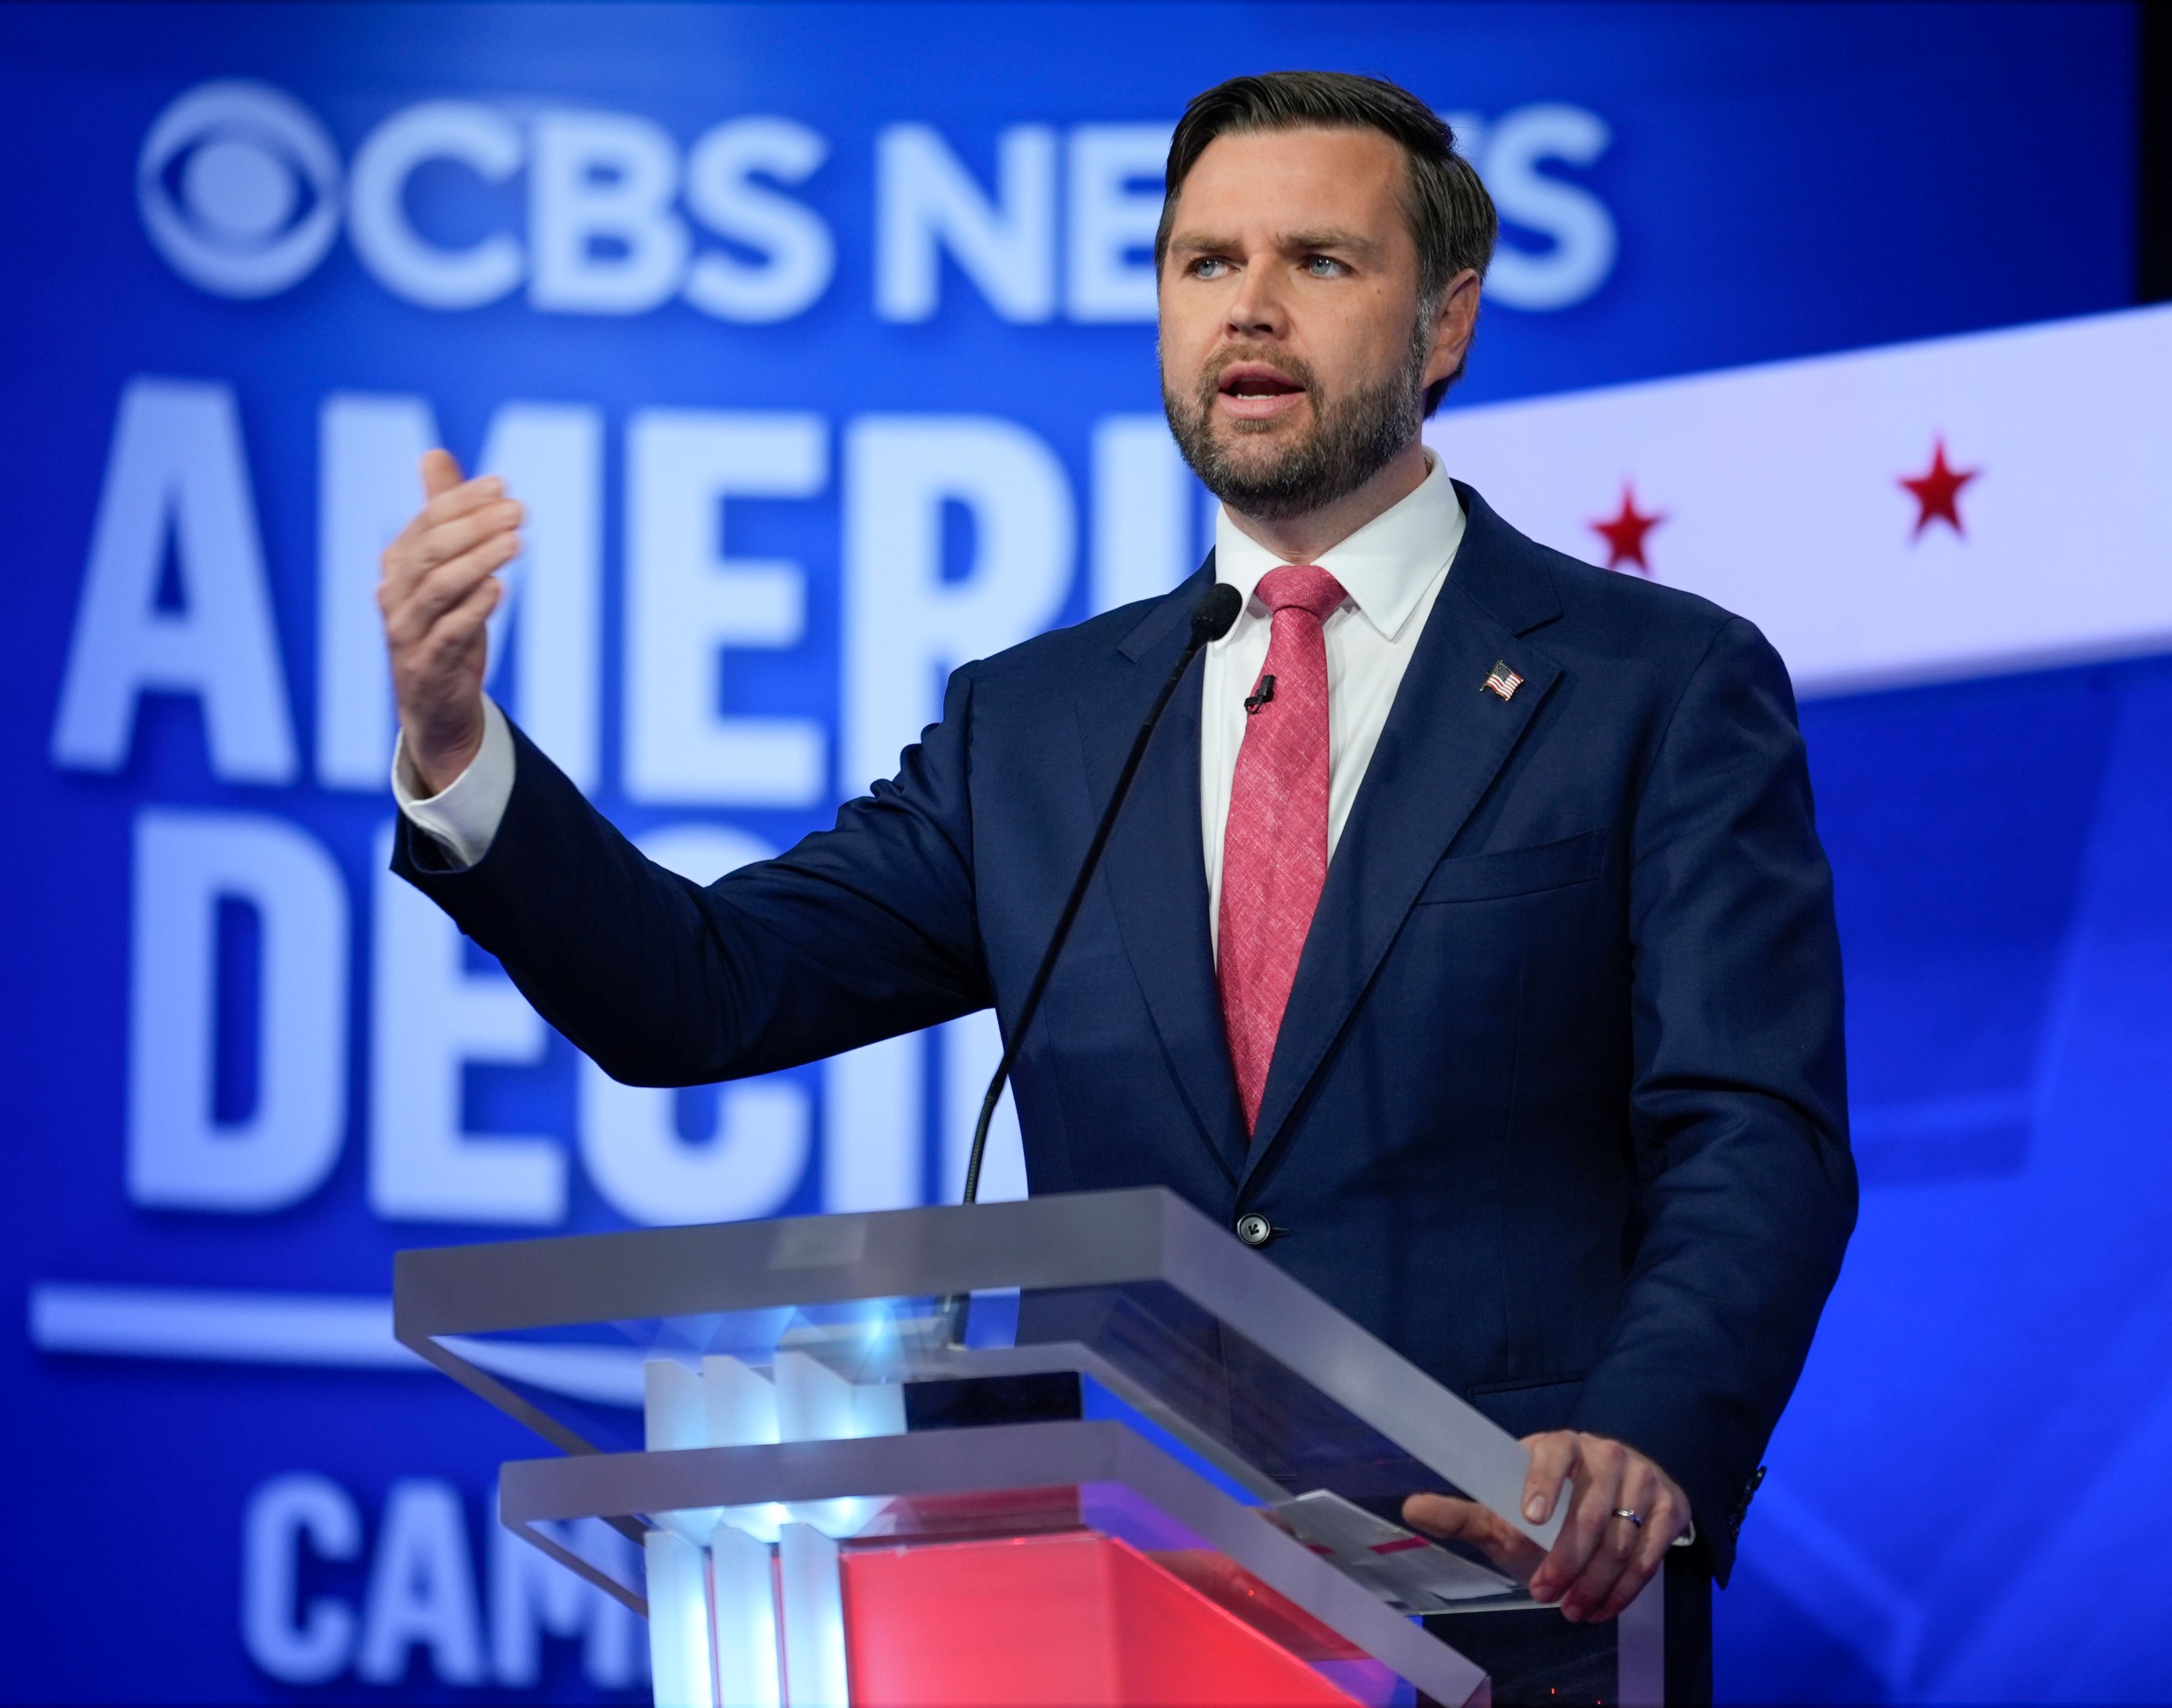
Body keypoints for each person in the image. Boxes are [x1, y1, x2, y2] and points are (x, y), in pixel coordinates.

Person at [380, 70, 1854, 1702]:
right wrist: (460, 747)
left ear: (1445, 324)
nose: (1251, 311)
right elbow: (699, 990)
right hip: (1106, 1608)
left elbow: (1752, 1133)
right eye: (1205, 264)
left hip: (1505, 1600)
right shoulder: (1044, 723)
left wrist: (1643, 1439)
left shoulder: (1655, 684)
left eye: (1320, 262)